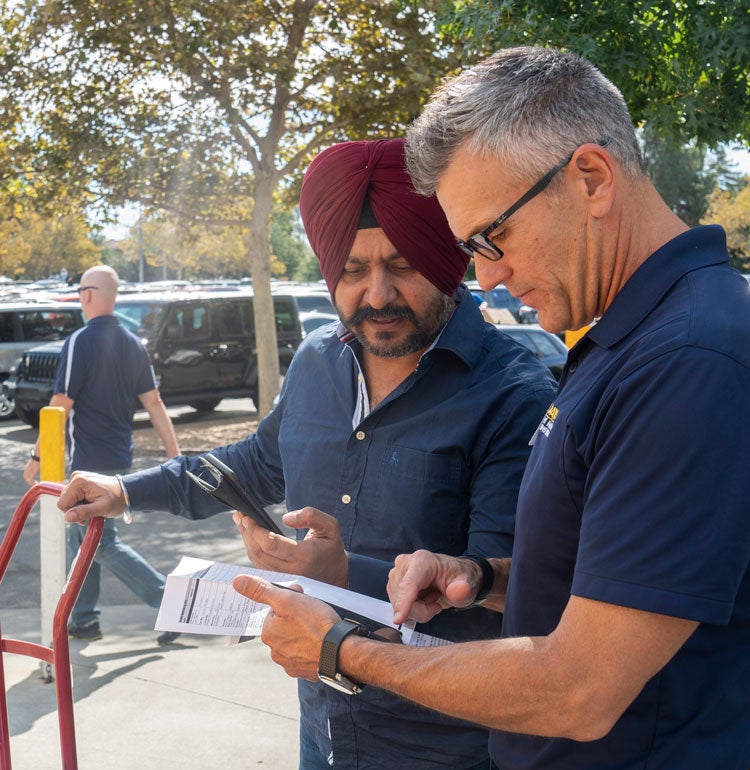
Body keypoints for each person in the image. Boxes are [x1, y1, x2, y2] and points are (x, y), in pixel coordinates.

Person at [222, 47, 749, 770]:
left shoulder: (685, 362)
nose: (488, 276)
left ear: (591, 178)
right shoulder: (633, 338)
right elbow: (611, 580)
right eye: (472, 248)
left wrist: (340, 651)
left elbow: (582, 689)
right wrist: (479, 574)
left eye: (491, 237)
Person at [57, 139, 556, 769]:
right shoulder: (320, 357)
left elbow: (509, 584)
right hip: (321, 720)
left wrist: (346, 574)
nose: (376, 295)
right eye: (351, 271)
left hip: (442, 741)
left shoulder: (513, 394)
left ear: (445, 259)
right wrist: (126, 490)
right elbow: (252, 464)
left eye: (401, 265)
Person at [24, 265, 182, 646]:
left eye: (80, 290)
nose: (79, 297)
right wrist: (174, 454)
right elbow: (155, 402)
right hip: (117, 459)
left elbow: (60, 404)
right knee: (84, 537)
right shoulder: (132, 343)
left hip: (88, 463)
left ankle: (169, 604)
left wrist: (37, 456)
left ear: (90, 295)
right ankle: (84, 618)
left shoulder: (81, 341)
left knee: (101, 542)